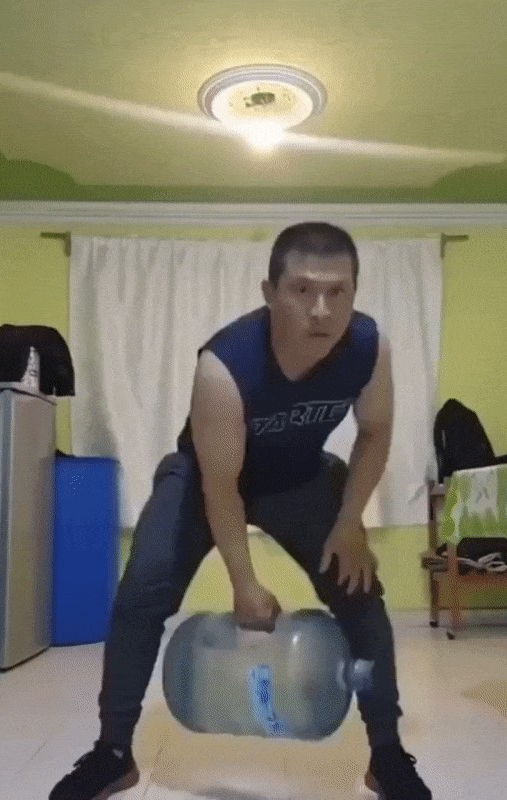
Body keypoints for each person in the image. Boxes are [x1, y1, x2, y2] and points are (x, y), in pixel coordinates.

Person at [49, 222, 432, 800]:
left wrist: (351, 520)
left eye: (338, 292)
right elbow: (221, 485)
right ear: (270, 292)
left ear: (355, 292)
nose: (322, 310)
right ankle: (113, 752)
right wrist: (244, 583)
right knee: (140, 594)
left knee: (359, 590)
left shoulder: (369, 346)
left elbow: (375, 432)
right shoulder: (225, 364)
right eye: (302, 290)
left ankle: (387, 753)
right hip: (205, 476)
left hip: (299, 475)